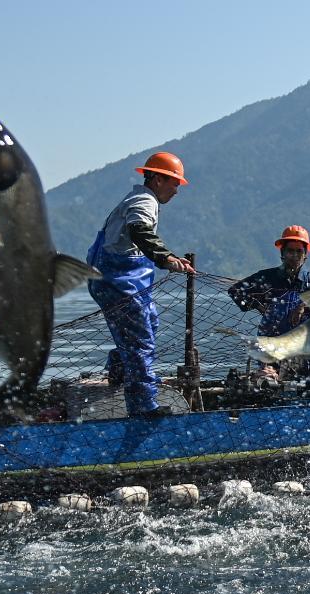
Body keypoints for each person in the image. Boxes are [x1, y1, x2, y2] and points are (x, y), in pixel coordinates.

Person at [86, 152, 196, 417]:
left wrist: (167, 256)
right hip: (118, 281)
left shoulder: (139, 199)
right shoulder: (144, 201)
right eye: (174, 182)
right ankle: (143, 407)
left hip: (119, 280)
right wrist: (165, 257)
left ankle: (121, 371)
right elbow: (140, 230)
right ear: (157, 179)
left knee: (149, 324)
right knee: (140, 339)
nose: (177, 190)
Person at [228, 225, 310, 382]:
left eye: (299, 251)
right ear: (282, 253)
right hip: (272, 344)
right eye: (290, 251)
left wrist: (303, 306)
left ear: (305, 255)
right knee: (270, 378)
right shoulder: (266, 278)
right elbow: (235, 291)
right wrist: (259, 305)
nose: (294, 255)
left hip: (306, 347)